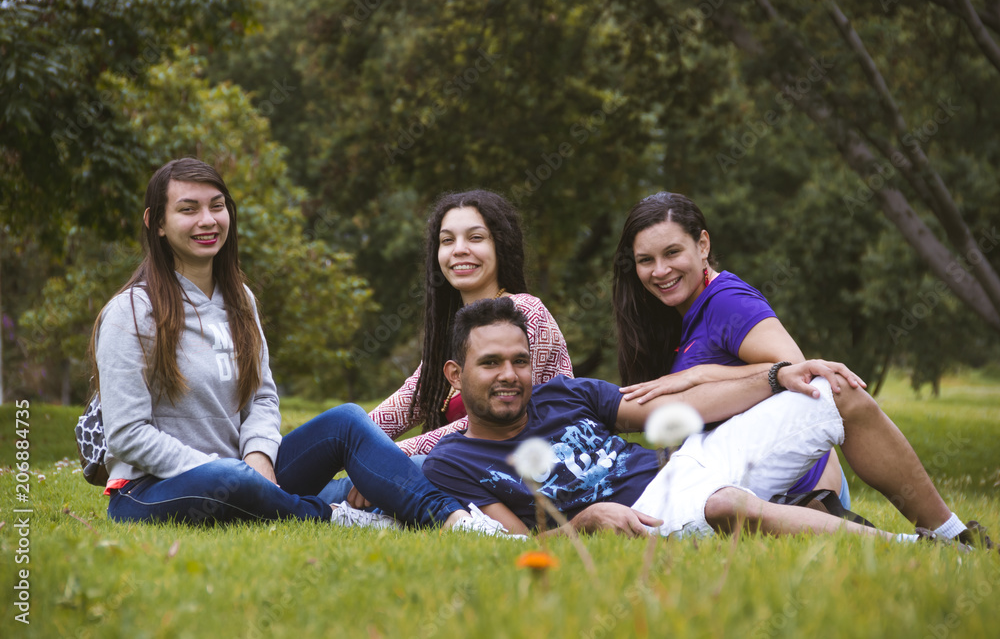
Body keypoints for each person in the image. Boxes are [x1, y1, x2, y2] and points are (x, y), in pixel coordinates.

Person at [90, 157, 507, 534]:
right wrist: (232, 470)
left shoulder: (240, 301)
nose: (207, 220)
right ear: (157, 223)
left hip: (250, 476)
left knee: (358, 429)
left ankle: (454, 521)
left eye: (217, 206)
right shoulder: (132, 313)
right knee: (230, 480)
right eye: (188, 209)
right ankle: (333, 514)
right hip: (154, 489)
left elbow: (262, 397)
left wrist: (258, 457)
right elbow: (127, 434)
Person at [422, 298, 993, 549]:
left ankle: (952, 534)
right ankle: (914, 549)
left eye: (520, 361)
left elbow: (681, 414)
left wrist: (778, 376)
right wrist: (588, 520)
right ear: (455, 374)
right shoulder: (453, 463)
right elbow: (517, 546)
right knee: (725, 506)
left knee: (833, 391)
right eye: (490, 363)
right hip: (651, 517)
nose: (510, 375)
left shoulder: (564, 395)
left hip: (689, 463)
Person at [324, 189, 573, 506]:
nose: (459, 250)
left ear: (501, 245)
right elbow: (403, 405)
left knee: (397, 474)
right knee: (345, 449)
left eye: (476, 238)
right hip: (465, 469)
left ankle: (284, 499)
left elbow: (494, 426)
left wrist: (387, 459)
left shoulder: (525, 313)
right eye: (447, 240)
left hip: (530, 471)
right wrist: (340, 444)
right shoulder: (454, 335)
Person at [612, 192, 847, 507]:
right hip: (739, 490)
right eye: (646, 260)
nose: (660, 270)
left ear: (702, 245)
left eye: (672, 252)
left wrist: (700, 375)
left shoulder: (727, 302)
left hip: (803, 496)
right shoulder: (671, 314)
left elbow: (797, 371)